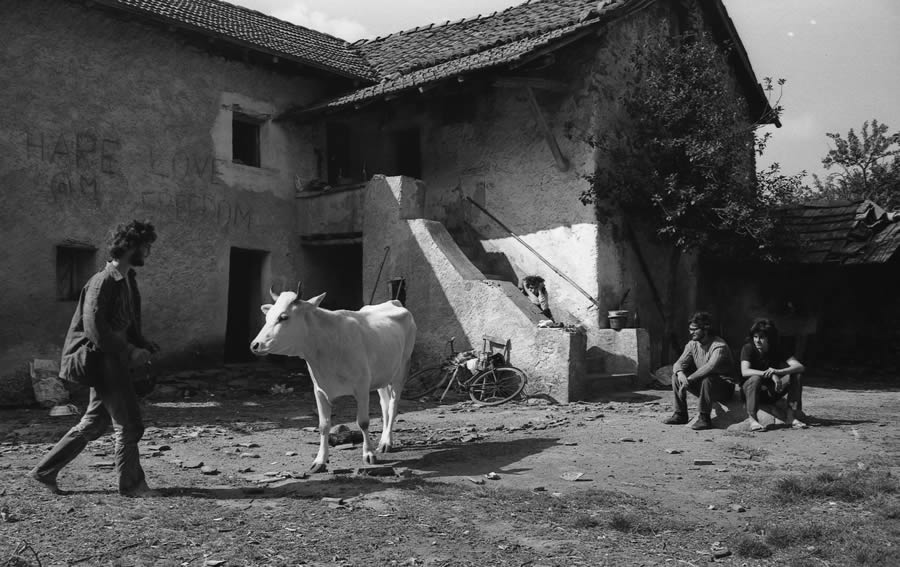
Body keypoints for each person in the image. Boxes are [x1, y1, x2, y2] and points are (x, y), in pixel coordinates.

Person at [30, 220, 160, 496]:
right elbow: (95, 329)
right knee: (130, 424)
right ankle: (133, 486)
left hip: (114, 360)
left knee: (95, 422)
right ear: (129, 247)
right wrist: (129, 352)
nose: (148, 252)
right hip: (104, 360)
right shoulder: (102, 281)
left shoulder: (128, 280)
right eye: (145, 246)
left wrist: (142, 343)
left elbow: (128, 323)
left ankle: (44, 472)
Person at [663, 311, 736, 430]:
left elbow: (710, 367)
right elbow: (678, 364)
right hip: (704, 386)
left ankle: (704, 418)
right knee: (676, 377)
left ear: (705, 329)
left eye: (694, 329)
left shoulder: (719, 346)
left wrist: (689, 380)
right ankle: (680, 414)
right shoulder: (692, 344)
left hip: (724, 388)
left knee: (708, 379)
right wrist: (681, 374)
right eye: (690, 329)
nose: (690, 332)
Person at [740, 318, 807, 431]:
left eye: (761, 337)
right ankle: (753, 419)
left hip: (772, 391)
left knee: (797, 375)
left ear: (769, 338)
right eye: (755, 337)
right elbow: (745, 371)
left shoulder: (777, 348)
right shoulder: (748, 348)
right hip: (751, 390)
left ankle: (790, 416)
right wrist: (771, 375)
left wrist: (778, 372)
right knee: (755, 378)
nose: (757, 341)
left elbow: (800, 367)